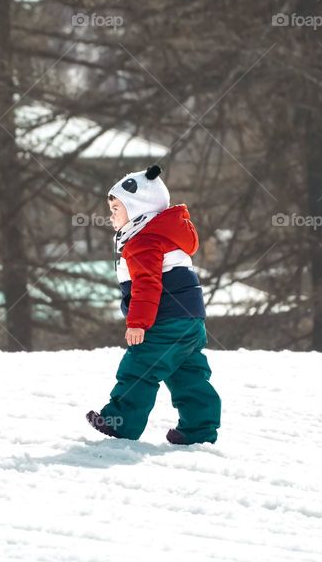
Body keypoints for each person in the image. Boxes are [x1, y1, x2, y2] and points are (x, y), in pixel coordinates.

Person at [86, 165, 221, 445]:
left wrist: (138, 323)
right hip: (191, 320)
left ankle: (120, 422)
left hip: (165, 320)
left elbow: (148, 285)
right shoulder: (164, 236)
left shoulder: (143, 242)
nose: (111, 216)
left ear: (137, 209)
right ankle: (199, 429)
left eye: (115, 209)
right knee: (188, 373)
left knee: (139, 367)